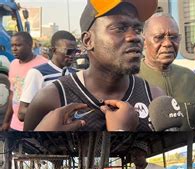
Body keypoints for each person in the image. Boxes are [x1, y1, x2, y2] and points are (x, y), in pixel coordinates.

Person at [23, 0, 164, 131]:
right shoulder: (50, 99)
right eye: (120, 28)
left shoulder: (155, 98)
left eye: (138, 30)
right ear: (88, 40)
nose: (135, 37)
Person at [139, 13, 195, 130]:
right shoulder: (129, 79)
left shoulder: (190, 77)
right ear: (144, 41)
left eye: (173, 37)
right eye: (159, 37)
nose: (168, 43)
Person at [18, 31, 78, 122]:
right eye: (69, 51)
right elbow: (22, 113)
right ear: (54, 50)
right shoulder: (37, 73)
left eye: (76, 51)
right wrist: (58, 112)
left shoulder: (74, 73)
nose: (72, 56)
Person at [1, 32, 48, 131]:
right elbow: (12, 94)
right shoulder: (13, 64)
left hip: (35, 125)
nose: (14, 49)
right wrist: (6, 122)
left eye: (18, 45)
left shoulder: (44, 65)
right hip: (15, 124)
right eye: (12, 45)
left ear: (30, 45)